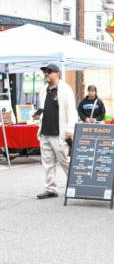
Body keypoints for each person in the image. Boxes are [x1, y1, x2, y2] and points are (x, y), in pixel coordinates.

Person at [32, 63, 77, 199]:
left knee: (65, 161)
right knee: (47, 163)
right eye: (45, 71)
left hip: (59, 133)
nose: (46, 74)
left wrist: (70, 129)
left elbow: (71, 110)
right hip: (45, 131)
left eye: (49, 71)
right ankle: (51, 188)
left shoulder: (65, 89)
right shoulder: (44, 89)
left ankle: (75, 185)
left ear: (57, 73)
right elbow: (43, 108)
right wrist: (37, 114)